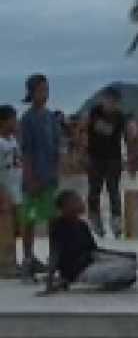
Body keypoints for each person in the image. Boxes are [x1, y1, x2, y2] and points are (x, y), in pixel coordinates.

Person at [39, 190, 138, 295]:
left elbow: (94, 250)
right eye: (76, 201)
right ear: (65, 207)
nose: (81, 203)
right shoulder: (58, 226)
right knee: (127, 268)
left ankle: (114, 278)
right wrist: (49, 284)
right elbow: (54, 254)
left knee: (131, 263)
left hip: (92, 261)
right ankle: (88, 282)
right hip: (80, 271)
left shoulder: (82, 225)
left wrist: (122, 254)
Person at [20, 74, 60, 281]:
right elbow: (26, 153)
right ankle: (28, 259)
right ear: (31, 92)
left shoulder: (51, 117)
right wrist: (30, 179)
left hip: (50, 179)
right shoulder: (27, 119)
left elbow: (56, 148)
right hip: (33, 180)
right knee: (31, 219)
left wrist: (56, 172)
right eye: (40, 90)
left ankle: (54, 259)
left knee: (53, 219)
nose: (45, 94)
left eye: (46, 89)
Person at [87, 87, 127, 238]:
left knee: (114, 190)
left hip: (114, 158)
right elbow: (102, 129)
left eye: (115, 101)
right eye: (109, 100)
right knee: (94, 190)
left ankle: (116, 222)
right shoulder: (95, 111)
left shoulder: (120, 116)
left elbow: (122, 134)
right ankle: (95, 220)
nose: (112, 104)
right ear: (104, 99)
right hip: (95, 156)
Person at [0, 105, 21, 277]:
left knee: (15, 227)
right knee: (5, 227)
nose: (15, 122)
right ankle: (5, 263)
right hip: (5, 188)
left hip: (16, 187)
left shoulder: (14, 140)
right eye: (13, 119)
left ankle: (12, 260)